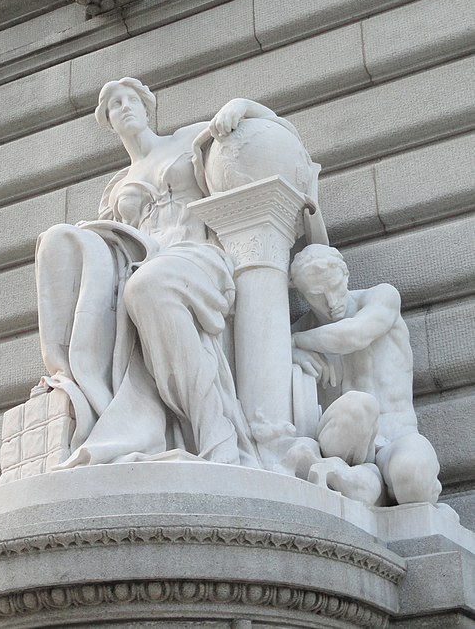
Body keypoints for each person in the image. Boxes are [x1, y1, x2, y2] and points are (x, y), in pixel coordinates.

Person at [36, 78, 318, 469]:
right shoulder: (115, 187)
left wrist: (241, 102)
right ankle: (83, 389)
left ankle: (216, 435)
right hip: (144, 263)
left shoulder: (185, 139)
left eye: (131, 99)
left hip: (201, 257)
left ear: (147, 106)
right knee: (67, 244)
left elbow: (277, 129)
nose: (125, 107)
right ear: (108, 121)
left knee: (148, 285)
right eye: (115, 105)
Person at [290, 244, 441, 504]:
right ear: (303, 295)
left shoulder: (381, 297)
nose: (331, 301)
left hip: (398, 434)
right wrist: (289, 352)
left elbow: (354, 334)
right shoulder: (303, 329)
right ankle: (362, 479)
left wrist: (293, 342)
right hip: (345, 441)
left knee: (414, 476)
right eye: (316, 295)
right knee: (358, 405)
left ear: (346, 274)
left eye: (334, 286)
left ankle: (373, 483)